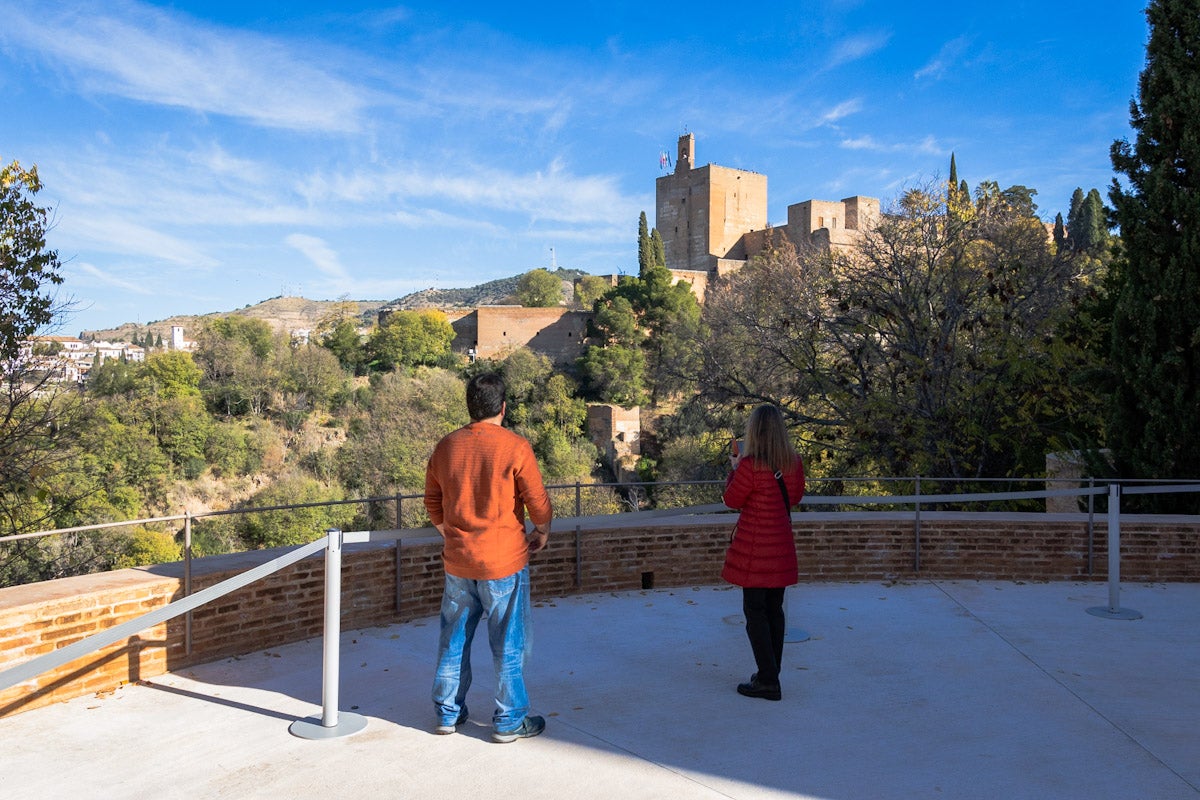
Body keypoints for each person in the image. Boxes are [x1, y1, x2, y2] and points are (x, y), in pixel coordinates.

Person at [424, 372, 553, 742]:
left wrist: (447, 530)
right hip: (503, 561)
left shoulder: (446, 446)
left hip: (458, 562)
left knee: (453, 639)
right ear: (503, 407)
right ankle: (509, 720)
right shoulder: (515, 446)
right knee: (507, 643)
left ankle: (447, 714)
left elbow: (432, 500)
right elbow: (537, 500)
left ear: (469, 407)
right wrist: (541, 530)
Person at [721, 404, 805, 701]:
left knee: (754, 612)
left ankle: (767, 681)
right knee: (774, 611)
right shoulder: (793, 462)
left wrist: (734, 469)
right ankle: (771, 674)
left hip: (755, 550)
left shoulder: (749, 466)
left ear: (754, 431)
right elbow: (793, 498)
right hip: (780, 547)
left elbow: (732, 500)